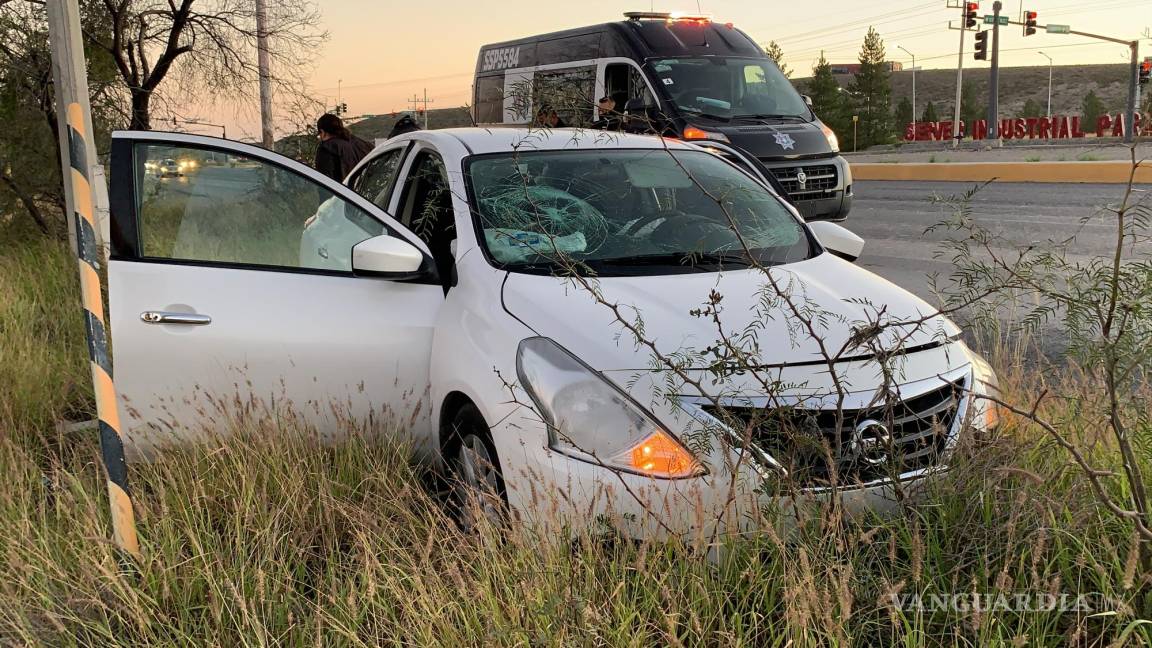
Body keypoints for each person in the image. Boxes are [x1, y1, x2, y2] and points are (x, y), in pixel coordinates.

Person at [314, 113, 373, 181]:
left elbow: (325, 181)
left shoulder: (326, 149)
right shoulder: (363, 145)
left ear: (323, 132)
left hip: (342, 190)